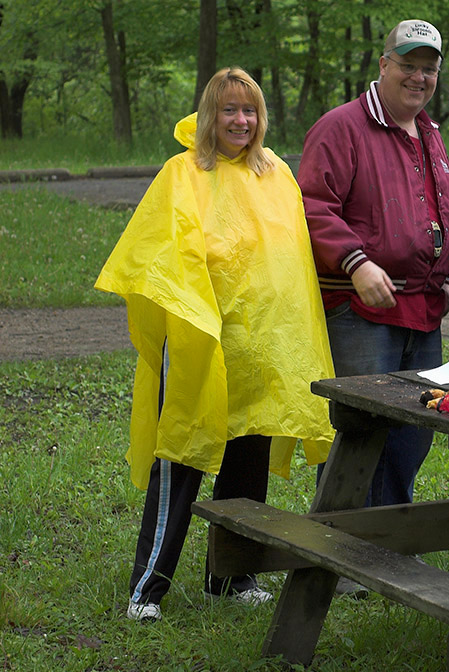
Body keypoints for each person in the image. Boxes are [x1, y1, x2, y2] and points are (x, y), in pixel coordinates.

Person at [95, 67, 335, 623]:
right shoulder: (183, 173)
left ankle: (230, 576)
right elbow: (158, 258)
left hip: (260, 349)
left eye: (249, 111)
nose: (240, 121)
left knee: (245, 466)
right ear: (210, 115)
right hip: (201, 344)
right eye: (229, 110)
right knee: (182, 455)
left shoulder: (275, 173)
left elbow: (290, 264)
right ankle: (146, 589)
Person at [297, 18, 449, 510]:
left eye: (428, 69)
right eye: (408, 66)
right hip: (361, 310)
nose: (419, 77)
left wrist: (440, 272)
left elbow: (434, 210)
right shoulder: (342, 126)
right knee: (360, 430)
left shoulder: (428, 131)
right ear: (384, 65)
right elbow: (311, 205)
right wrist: (356, 264)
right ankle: (341, 556)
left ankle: (388, 543)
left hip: (422, 308)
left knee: (413, 434)